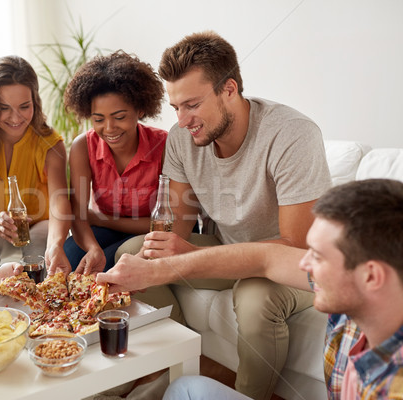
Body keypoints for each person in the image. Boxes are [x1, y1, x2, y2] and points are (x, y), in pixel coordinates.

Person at [115, 31, 332, 399]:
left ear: (229, 89)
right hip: (228, 246)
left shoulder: (292, 135)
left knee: (255, 295)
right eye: (176, 108)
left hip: (296, 266)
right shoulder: (183, 138)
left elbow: (294, 247)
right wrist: (159, 252)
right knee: (136, 252)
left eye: (193, 105)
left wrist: (190, 256)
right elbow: (177, 228)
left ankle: (249, 396)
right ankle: (181, 366)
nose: (182, 120)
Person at [99, 178, 403, 399]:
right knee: (184, 389)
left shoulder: (393, 383)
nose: (305, 264)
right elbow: (265, 257)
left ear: (372, 276)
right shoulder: (355, 297)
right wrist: (152, 272)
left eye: (319, 257)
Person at [0, 55, 71, 274]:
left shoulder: (50, 143)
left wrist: (56, 244)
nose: (16, 117)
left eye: (24, 106)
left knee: (39, 245)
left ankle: (40, 301)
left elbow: (60, 205)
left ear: (35, 102)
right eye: (4, 107)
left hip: (40, 223)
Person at [60, 50, 167, 274]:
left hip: (155, 231)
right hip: (110, 228)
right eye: (98, 119)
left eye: (119, 117)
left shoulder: (164, 144)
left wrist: (103, 219)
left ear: (140, 109)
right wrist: (92, 248)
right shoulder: (83, 147)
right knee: (70, 256)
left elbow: (167, 222)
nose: (109, 129)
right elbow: (80, 216)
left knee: (109, 264)